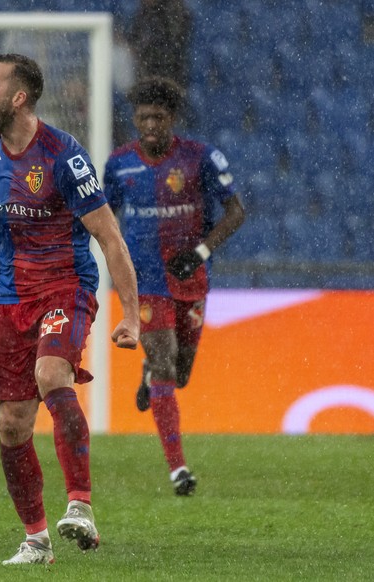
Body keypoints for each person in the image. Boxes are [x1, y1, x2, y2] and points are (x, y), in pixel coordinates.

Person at [0, 54, 140, 566]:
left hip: (65, 288)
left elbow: (109, 236)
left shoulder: (63, 155)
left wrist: (131, 315)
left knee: (53, 374)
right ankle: (36, 539)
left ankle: (80, 504)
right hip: (10, 299)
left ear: (18, 97)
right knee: (11, 426)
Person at [104, 76, 246, 495]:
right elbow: (104, 217)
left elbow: (236, 211)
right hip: (144, 280)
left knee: (178, 374)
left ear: (172, 119)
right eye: (144, 116)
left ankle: (152, 377)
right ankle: (178, 469)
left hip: (190, 276)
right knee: (166, 363)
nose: (150, 124)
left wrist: (201, 252)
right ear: (134, 118)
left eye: (158, 117)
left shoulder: (200, 158)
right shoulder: (118, 164)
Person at [128, 0, 193, 91]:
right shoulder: (142, 13)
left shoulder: (174, 11)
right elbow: (133, 40)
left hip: (170, 75)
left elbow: (175, 41)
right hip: (146, 75)